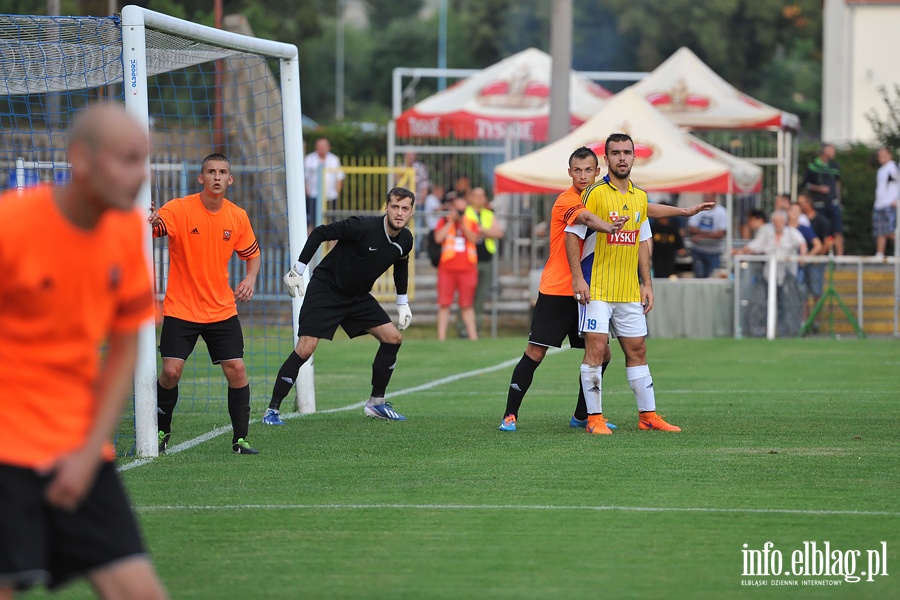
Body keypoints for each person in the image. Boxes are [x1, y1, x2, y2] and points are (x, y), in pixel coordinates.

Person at [0, 105, 167, 598]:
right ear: (81, 159)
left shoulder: (123, 238)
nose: (141, 176)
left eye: (145, 160)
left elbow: (124, 347)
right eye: (127, 160)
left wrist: (89, 449)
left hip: (76, 446)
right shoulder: (13, 225)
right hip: (6, 449)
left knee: (139, 590)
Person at [266, 187, 416, 424]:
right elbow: (320, 232)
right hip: (326, 290)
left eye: (405, 208)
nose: (399, 212)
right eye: (395, 207)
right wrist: (299, 270)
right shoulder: (362, 226)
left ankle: (376, 403)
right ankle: (272, 410)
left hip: (357, 297)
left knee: (393, 338)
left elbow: (401, 265)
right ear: (386, 207)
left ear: (411, 211)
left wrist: (402, 303)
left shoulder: (406, 240)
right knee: (306, 347)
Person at [565, 133, 681, 435]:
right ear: (606, 159)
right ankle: (594, 419)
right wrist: (578, 278)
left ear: (633, 157)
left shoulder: (639, 197)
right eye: (615, 152)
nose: (621, 157)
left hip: (628, 289)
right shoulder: (593, 193)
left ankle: (647, 415)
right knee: (595, 349)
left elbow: (643, 241)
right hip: (597, 288)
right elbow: (572, 234)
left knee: (638, 350)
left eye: (626, 152)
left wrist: (647, 283)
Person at [150, 153, 261, 455]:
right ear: (201, 178)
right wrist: (151, 220)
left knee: (237, 369)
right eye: (210, 171)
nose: (216, 176)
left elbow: (253, 254)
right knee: (171, 372)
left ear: (230, 179)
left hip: (221, 310)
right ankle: (161, 431)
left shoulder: (237, 216)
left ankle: (240, 440)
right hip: (181, 309)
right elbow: (155, 228)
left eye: (222, 171)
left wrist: (250, 278)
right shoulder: (179, 209)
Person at [734, 209, 807, 336]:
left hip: (786, 273)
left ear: (784, 222)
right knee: (761, 302)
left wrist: (802, 257)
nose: (777, 224)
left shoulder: (791, 232)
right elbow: (755, 246)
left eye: (780, 221)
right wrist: (740, 252)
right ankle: (760, 331)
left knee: (788, 303)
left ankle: (787, 332)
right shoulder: (766, 232)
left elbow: (802, 243)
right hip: (768, 274)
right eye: (775, 221)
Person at [434, 193, 480, 341]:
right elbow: (438, 238)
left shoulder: (470, 222)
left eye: (462, 210)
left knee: (467, 304)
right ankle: (441, 338)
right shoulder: (444, 221)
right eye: (457, 209)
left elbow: (474, 238)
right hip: (447, 268)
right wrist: (451, 222)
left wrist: (462, 222)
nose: (460, 212)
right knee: (444, 303)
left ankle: (473, 338)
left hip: (467, 269)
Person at [463, 187, 505, 336]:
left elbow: (499, 232)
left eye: (482, 196)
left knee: (481, 297)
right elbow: (468, 233)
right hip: (469, 260)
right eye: (477, 196)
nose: (480, 199)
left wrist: (481, 230)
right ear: (471, 197)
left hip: (486, 259)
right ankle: (463, 330)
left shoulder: (488, 214)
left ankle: (476, 330)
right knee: (467, 297)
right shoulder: (466, 213)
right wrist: (487, 231)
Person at [802, 143, 842, 255]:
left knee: (837, 231)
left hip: (833, 203)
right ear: (825, 151)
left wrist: (838, 200)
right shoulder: (813, 166)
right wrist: (819, 188)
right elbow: (806, 184)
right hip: (819, 204)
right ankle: (820, 255)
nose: (834, 153)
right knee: (820, 231)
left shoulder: (834, 166)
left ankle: (839, 258)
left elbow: (838, 183)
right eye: (831, 150)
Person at [304, 137, 345, 230]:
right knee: (312, 223)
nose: (322, 148)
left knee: (333, 223)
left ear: (328, 147)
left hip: (330, 196)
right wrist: (308, 193)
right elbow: (305, 178)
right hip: (314, 196)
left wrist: (336, 193)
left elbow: (340, 177)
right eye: (319, 146)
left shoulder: (334, 159)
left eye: (324, 146)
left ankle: (332, 245)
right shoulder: (309, 159)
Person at [686, 193, 727, 278]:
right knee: (699, 276)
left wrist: (700, 235)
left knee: (713, 277)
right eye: (705, 195)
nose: (707, 198)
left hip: (714, 251)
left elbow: (720, 233)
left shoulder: (722, 212)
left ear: (715, 196)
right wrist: (711, 233)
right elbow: (691, 228)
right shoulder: (697, 209)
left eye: (709, 195)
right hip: (698, 249)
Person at [873, 146, 898, 260]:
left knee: (891, 231)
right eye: (879, 155)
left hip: (889, 204)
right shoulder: (881, 170)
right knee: (880, 231)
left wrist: (897, 200)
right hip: (879, 204)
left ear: (890, 155)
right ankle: (880, 253)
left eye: (883, 154)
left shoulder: (893, 167)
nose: (881, 157)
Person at [649, 207, 685, 278]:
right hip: (655, 261)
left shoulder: (672, 229)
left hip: (670, 262)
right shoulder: (652, 228)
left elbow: (681, 249)